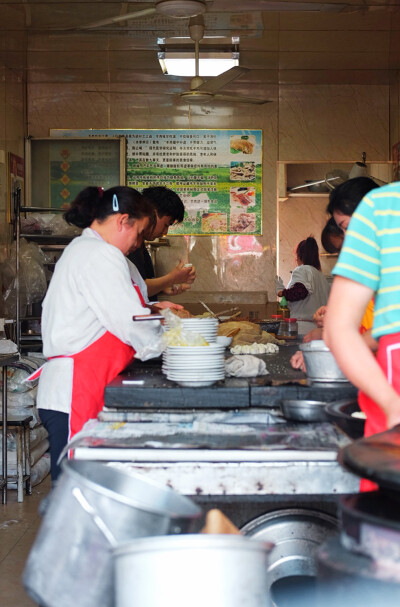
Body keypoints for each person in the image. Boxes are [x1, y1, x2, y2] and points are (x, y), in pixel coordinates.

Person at [33, 186, 170, 482]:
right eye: (139, 232)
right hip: (75, 392)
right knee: (74, 491)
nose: (137, 243)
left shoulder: (87, 250)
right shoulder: (99, 255)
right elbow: (131, 322)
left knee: (80, 490)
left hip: (78, 387)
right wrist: (168, 343)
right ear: (123, 221)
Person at [128, 186, 196, 301]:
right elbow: (137, 288)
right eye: (166, 225)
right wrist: (171, 278)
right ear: (152, 213)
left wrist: (163, 287)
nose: (165, 232)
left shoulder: (139, 244)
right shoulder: (129, 244)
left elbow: (140, 284)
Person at [276, 236, 330, 336]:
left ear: (299, 256)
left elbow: (300, 291)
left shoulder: (302, 270)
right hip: (318, 330)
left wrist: (281, 292)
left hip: (300, 329)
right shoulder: (321, 277)